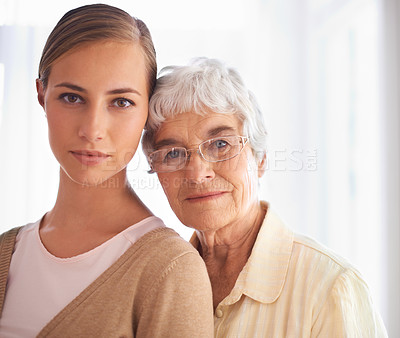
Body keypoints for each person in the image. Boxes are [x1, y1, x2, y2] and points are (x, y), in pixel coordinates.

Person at [0, 5, 213, 337]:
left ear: (148, 111)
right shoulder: (6, 251)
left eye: (121, 102)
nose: (93, 129)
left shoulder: (170, 270)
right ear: (41, 95)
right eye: (72, 97)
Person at [142, 57, 388, 337]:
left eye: (221, 144)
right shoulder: (159, 285)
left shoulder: (331, 286)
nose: (197, 174)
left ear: (260, 158)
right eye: (173, 153)